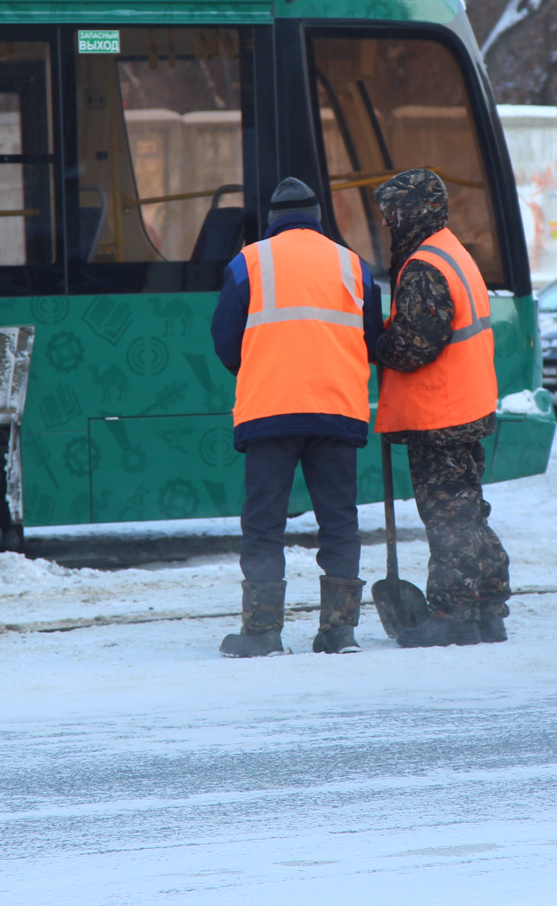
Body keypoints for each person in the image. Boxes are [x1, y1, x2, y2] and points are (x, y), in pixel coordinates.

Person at [211, 177, 381, 657]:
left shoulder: (250, 262)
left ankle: (262, 630)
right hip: (337, 410)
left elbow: (225, 339)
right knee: (339, 520)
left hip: (271, 410)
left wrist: (260, 367)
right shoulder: (354, 266)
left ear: (273, 220)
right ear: (318, 219)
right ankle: (339, 631)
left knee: (265, 522)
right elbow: (370, 338)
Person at [372, 168, 510, 648]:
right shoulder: (452, 252)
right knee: (468, 512)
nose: (387, 224)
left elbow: (414, 347)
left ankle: (453, 614)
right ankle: (489, 610)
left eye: (391, 213)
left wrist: (376, 342)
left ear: (412, 211)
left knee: (448, 518)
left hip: (440, 415)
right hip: (464, 405)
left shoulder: (424, 266)